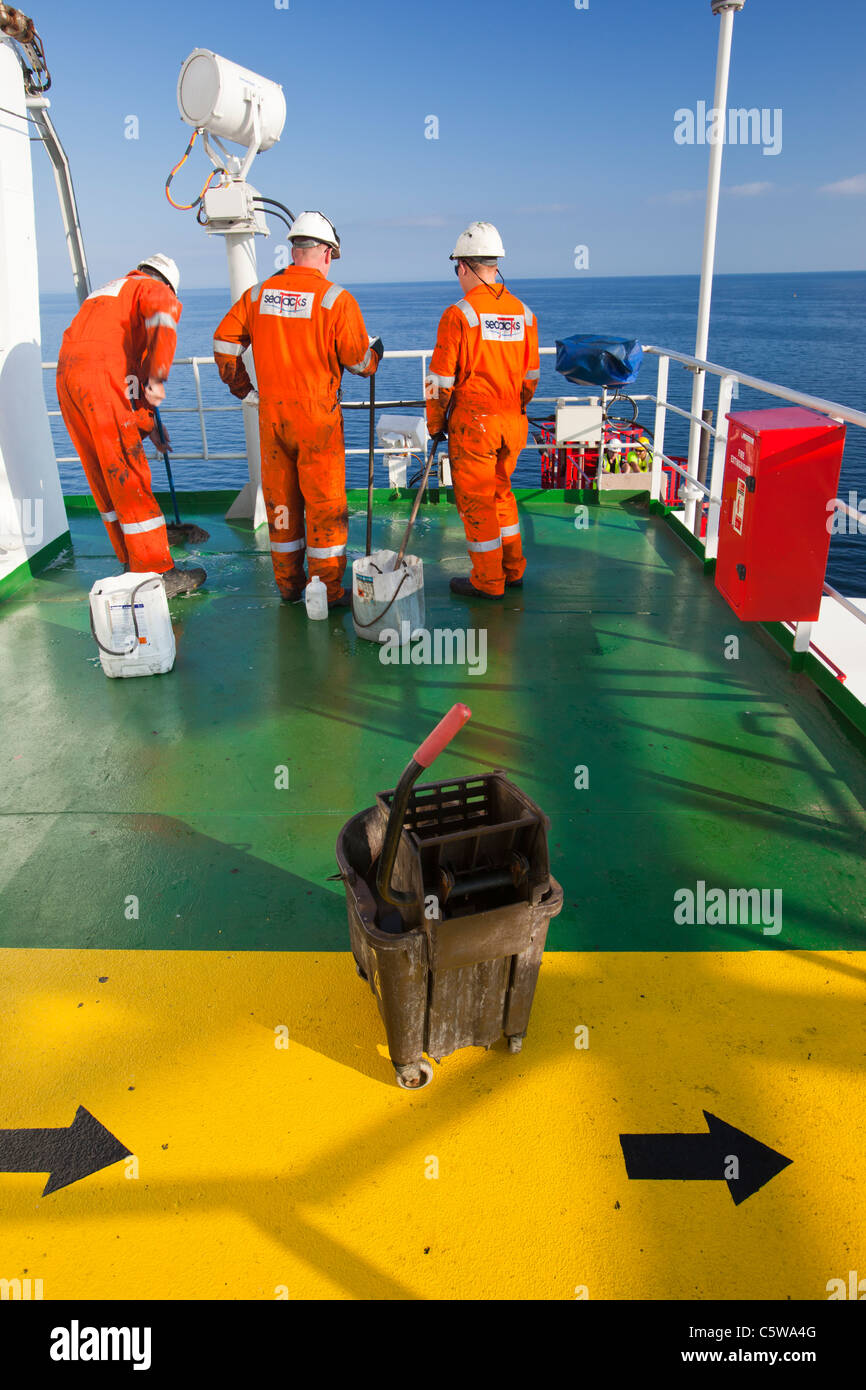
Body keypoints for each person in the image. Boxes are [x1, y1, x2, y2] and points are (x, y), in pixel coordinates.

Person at [213, 212, 382, 606]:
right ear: (324, 252)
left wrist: (245, 390)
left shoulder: (257, 295)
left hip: (272, 417)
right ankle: (326, 590)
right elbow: (358, 362)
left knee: (282, 505)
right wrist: (375, 354)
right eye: (331, 256)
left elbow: (224, 345)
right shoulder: (335, 299)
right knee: (324, 506)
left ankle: (289, 586)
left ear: (294, 250)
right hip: (317, 420)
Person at [56, 254, 205, 597]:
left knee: (103, 475)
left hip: (69, 380)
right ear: (167, 283)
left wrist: (146, 423)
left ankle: (130, 559)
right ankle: (157, 572)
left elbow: (122, 362)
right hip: (101, 379)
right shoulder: (151, 288)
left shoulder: (108, 293)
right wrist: (158, 376)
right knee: (129, 473)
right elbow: (163, 321)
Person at [426, 222, 539, 599]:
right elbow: (530, 377)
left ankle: (489, 581)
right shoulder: (524, 314)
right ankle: (513, 568)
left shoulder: (459, 314)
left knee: (476, 504)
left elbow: (441, 382)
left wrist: (436, 423)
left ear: (463, 266)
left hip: (475, 425)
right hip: (512, 421)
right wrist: (515, 408)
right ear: (495, 265)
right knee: (502, 494)